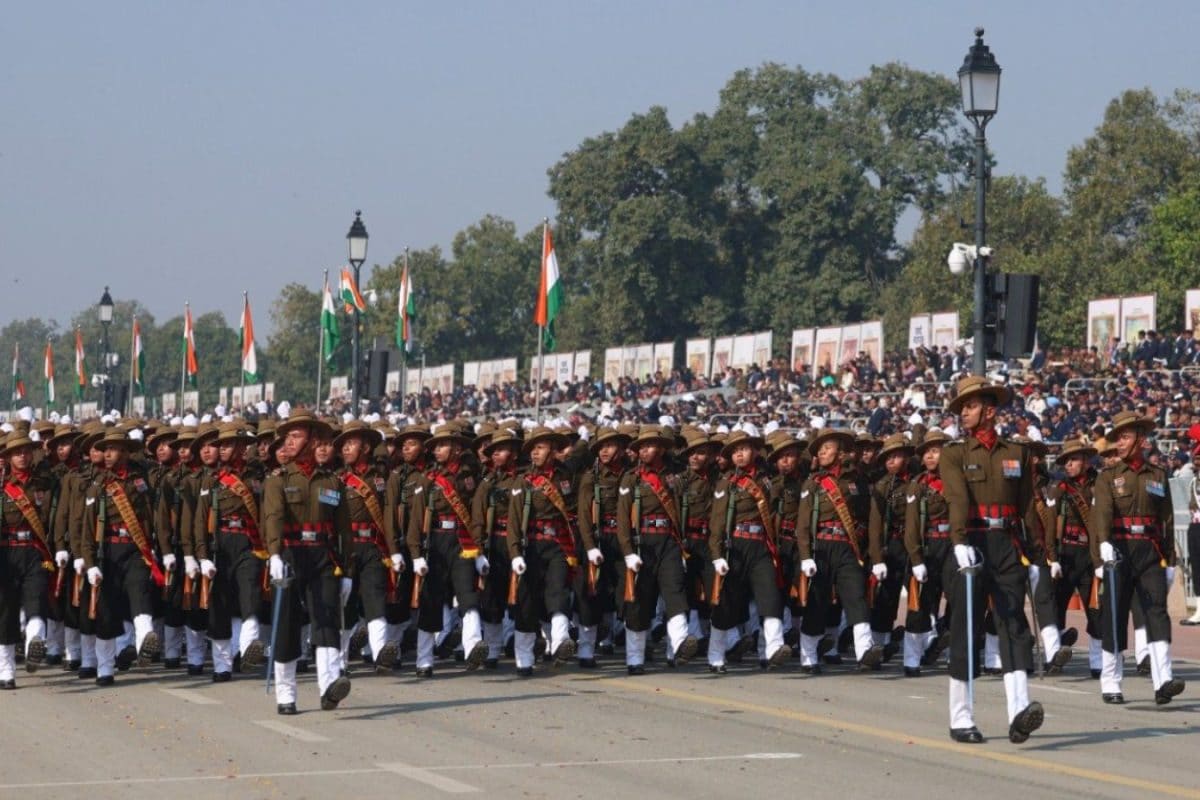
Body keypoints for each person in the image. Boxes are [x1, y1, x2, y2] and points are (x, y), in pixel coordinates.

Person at [940, 376, 1044, 745]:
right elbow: (957, 498)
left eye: (970, 406)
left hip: (1007, 544)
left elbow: (1028, 505)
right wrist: (958, 540)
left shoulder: (1017, 452)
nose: (963, 413)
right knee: (965, 627)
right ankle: (961, 717)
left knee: (1013, 622)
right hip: (971, 542)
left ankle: (1020, 712)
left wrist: (1036, 553)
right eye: (961, 408)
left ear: (989, 410)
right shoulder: (954, 453)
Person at [1091, 410, 1186, 705]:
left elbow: (1166, 519)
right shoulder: (1108, 477)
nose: (1119, 443)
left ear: (1141, 439)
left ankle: (1163, 679)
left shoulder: (1157, 475)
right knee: (1116, 613)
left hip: (1149, 550)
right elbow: (1102, 514)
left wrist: (1170, 558)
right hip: (1119, 550)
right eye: (1117, 438)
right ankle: (1111, 680)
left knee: (1157, 611)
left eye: (1125, 437)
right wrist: (1102, 548)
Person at [261, 411, 353, 715]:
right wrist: (274, 554)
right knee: (287, 624)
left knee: (327, 619)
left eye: (296, 436)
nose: (289, 441)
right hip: (290, 555)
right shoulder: (278, 479)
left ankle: (329, 687)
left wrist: (348, 571)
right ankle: (286, 693)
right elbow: (273, 518)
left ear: (313, 440)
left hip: (322, 557)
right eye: (287, 436)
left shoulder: (331, 481)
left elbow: (343, 530)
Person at [79, 430, 168, 686]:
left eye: (113, 449)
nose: (106, 454)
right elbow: (87, 530)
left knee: (140, 591)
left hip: (135, 549)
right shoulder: (97, 485)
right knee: (106, 613)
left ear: (126, 452)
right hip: (107, 552)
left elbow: (153, 516)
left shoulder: (142, 481)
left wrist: (157, 548)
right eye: (104, 449)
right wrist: (90, 564)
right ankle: (105, 667)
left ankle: (145, 638)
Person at [796, 428, 883, 673]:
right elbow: (803, 525)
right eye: (820, 450)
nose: (822, 453)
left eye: (828, 447)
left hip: (847, 547)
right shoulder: (813, 483)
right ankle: (808, 654)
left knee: (856, 595)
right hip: (821, 548)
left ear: (841, 452)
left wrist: (875, 556)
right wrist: (805, 556)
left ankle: (864, 650)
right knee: (817, 601)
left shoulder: (858, 481)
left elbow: (869, 520)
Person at [407, 421, 487, 675]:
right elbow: (416, 521)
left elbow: (477, 516)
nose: (437, 450)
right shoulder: (428, 479)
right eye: (436, 446)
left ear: (456, 448)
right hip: (436, 544)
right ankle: (424, 659)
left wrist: (479, 551)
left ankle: (473, 646)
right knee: (431, 601)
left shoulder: (470, 477)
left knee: (468, 595)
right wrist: (416, 554)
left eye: (443, 445)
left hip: (463, 542)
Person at [616, 425, 697, 674]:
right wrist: (628, 552)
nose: (644, 451)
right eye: (641, 446)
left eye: (650, 445)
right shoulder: (631, 478)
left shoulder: (677, 475)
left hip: (669, 541)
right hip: (641, 543)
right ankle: (635, 658)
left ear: (661, 449)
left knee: (675, 590)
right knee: (639, 602)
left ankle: (681, 642)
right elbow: (623, 520)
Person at [193, 422, 270, 682]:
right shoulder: (211, 480)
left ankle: (248, 648)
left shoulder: (255, 478)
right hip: (220, 545)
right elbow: (199, 521)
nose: (222, 449)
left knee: (250, 595)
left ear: (240, 447)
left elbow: (265, 514)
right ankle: (222, 665)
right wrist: (202, 556)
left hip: (248, 543)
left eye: (228, 445)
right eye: (221, 445)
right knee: (220, 605)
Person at [507, 426, 580, 675]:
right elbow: (514, 521)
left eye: (540, 447)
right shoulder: (524, 481)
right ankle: (524, 657)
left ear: (553, 449)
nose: (535, 453)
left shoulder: (566, 477)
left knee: (558, 590)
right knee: (527, 603)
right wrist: (515, 553)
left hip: (558, 545)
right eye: (532, 449)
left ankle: (560, 640)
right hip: (531, 547)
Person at [335, 420, 405, 672]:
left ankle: (380, 655)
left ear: (365, 447)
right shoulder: (338, 478)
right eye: (344, 444)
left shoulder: (382, 478)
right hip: (347, 549)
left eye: (351, 443)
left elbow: (388, 516)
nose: (345, 448)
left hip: (374, 547)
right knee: (345, 605)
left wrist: (393, 551)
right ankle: (339, 660)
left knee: (376, 602)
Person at [1043, 438, 1103, 677]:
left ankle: (1098, 662)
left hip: (1090, 556)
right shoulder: (1059, 488)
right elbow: (1050, 526)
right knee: (1056, 607)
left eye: (1074, 460)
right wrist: (1052, 558)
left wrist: (1101, 558)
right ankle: (1055, 654)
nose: (1068, 465)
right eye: (1066, 461)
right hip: (1066, 554)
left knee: (1095, 609)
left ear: (1086, 461)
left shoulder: (1100, 485)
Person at [0, 433, 56, 687]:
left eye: (26, 451)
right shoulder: (2, 486)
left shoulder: (43, 483)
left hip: (35, 552)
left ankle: (35, 640)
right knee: (6, 611)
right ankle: (6, 670)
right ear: (8, 457)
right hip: (6, 554)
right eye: (17, 452)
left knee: (36, 598)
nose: (22, 456)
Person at [573, 426, 630, 667]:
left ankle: (625, 640)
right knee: (590, 594)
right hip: (598, 539)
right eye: (600, 447)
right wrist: (589, 547)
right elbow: (584, 516)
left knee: (626, 593)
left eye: (609, 446)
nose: (604, 451)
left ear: (621, 449)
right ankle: (586, 649)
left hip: (624, 540)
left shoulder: (630, 475)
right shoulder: (591, 477)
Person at [471, 427, 523, 668]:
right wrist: (479, 550)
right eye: (493, 451)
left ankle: (520, 645)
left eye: (501, 450)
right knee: (491, 598)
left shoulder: (524, 480)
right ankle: (492, 649)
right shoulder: (487, 483)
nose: (495, 455)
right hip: (495, 544)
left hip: (519, 544)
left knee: (520, 597)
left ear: (514, 453)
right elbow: (478, 518)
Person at [902, 429, 951, 676]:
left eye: (935, 451)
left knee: (959, 600)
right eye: (926, 453)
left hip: (952, 546)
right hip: (929, 546)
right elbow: (911, 527)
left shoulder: (958, 481)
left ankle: (949, 647)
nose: (930, 457)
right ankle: (912, 658)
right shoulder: (918, 485)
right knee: (919, 605)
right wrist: (916, 558)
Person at [868, 433, 915, 664]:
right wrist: (877, 558)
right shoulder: (883, 485)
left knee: (920, 594)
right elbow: (875, 526)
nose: (891, 461)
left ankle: (920, 643)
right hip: (894, 545)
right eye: (887, 458)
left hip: (917, 544)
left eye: (896, 456)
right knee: (887, 596)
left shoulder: (917, 480)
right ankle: (880, 643)